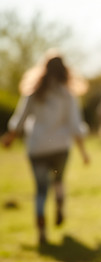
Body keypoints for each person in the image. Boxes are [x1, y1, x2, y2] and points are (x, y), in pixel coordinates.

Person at [1, 49, 90, 245]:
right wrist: (84, 152)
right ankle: (59, 204)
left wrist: (10, 137)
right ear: (64, 70)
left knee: (41, 190)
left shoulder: (34, 92)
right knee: (58, 180)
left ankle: (41, 227)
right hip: (60, 147)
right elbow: (76, 126)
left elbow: (20, 119)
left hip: (37, 147)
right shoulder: (67, 95)